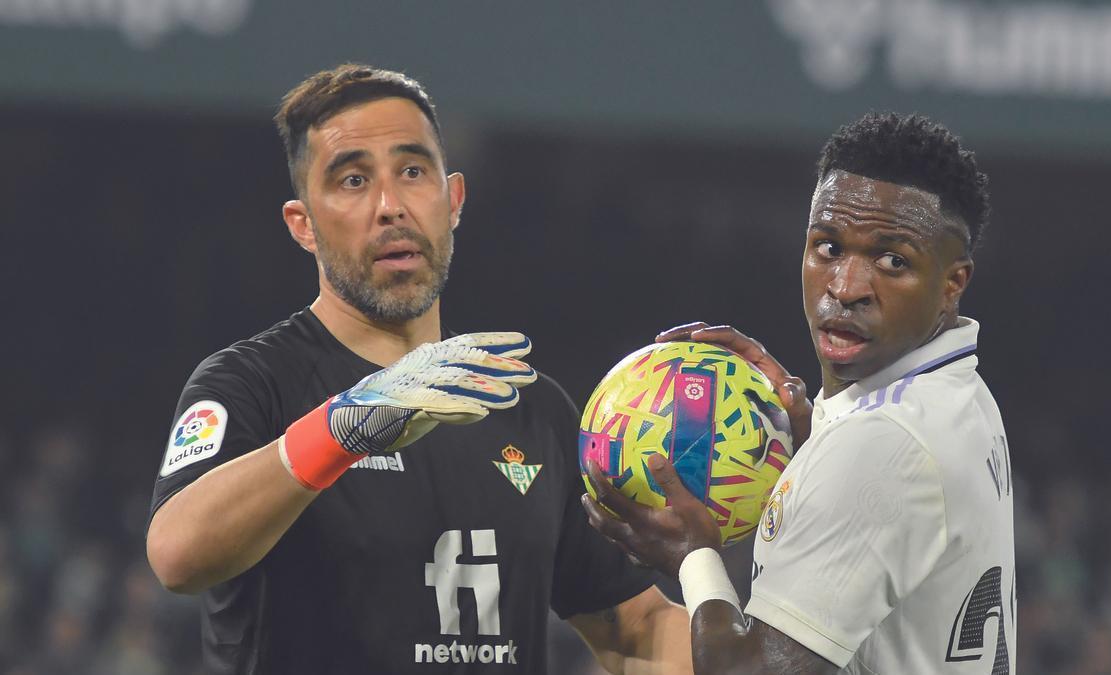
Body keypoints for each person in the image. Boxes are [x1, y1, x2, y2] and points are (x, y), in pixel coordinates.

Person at [145, 63, 690, 675]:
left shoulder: (529, 406)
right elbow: (176, 555)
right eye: (352, 181)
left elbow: (638, 627)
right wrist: (340, 430)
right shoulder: (251, 383)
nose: (390, 206)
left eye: (412, 172)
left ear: (453, 199)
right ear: (304, 226)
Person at [583, 113, 1015, 674]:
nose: (846, 287)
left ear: (952, 283)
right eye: (829, 246)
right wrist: (812, 442)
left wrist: (693, 557)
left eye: (893, 261)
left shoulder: (881, 444)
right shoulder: (962, 395)